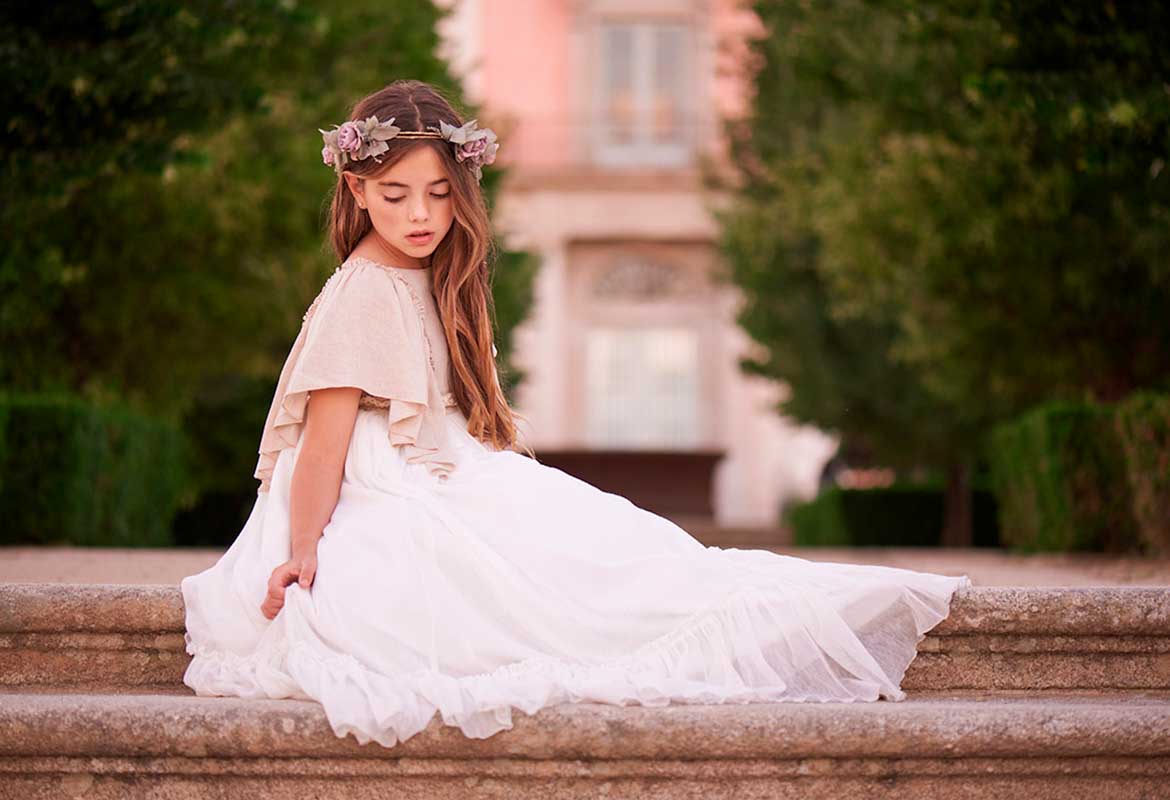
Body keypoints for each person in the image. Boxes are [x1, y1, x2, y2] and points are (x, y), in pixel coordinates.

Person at [180, 79, 972, 749]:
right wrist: (303, 550)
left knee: (601, 541)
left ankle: (747, 609)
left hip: (442, 461)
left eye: (438, 195)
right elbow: (323, 440)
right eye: (395, 195)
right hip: (377, 480)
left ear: (463, 192)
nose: (419, 215)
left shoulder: (436, 275)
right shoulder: (361, 288)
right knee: (547, 572)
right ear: (356, 189)